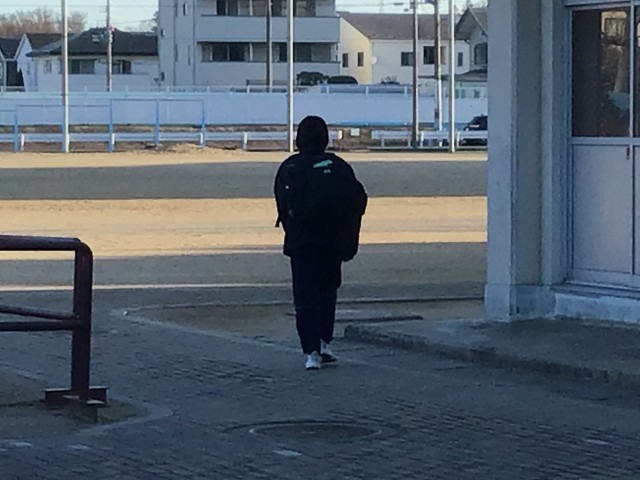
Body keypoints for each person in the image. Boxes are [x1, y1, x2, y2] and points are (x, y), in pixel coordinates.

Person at [274, 116, 367, 370]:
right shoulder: (339, 166)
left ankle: (311, 352)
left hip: (302, 243)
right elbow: (356, 201)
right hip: (333, 242)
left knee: (305, 297)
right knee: (327, 292)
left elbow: (283, 205)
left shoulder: (290, 167)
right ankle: (325, 342)